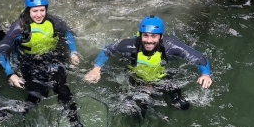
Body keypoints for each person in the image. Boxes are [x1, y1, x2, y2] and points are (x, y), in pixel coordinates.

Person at [0, 0, 89, 127]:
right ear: (28, 11)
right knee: (38, 92)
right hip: (28, 59)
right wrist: (11, 74)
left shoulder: (53, 21)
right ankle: (20, 119)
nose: (39, 14)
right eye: (35, 11)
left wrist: (73, 52)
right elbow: (2, 52)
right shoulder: (19, 28)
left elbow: (68, 33)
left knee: (62, 89)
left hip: (51, 56)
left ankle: (76, 124)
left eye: (42, 10)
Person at [84, 16, 212, 111]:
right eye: (145, 36)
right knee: (136, 111)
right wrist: (96, 68)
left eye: (153, 36)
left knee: (182, 105)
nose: (149, 41)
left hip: (162, 76)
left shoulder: (172, 46)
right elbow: (108, 49)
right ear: (140, 35)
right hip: (136, 77)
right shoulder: (128, 45)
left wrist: (205, 74)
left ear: (160, 37)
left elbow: (199, 58)